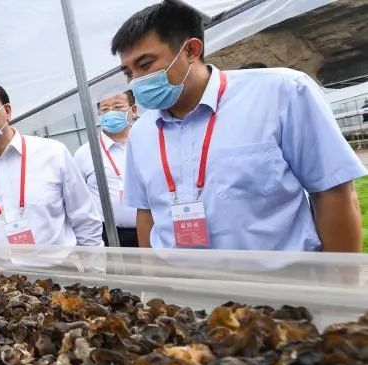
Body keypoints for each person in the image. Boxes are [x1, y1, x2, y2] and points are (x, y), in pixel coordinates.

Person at [111, 1, 366, 251]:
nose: (136, 80)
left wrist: (339, 285)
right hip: (183, 288)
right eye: (128, 72)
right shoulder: (142, 132)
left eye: (145, 65)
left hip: (276, 286)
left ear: (191, 50)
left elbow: (333, 192)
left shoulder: (282, 94)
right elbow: (146, 214)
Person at [0, 78, 103, 246]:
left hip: (58, 269)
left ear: (7, 111)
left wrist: (93, 269)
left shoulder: (53, 153)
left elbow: (85, 219)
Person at [73, 90, 139, 247]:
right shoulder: (86, 153)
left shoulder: (148, 143)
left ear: (133, 110)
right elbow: (78, 200)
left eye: (117, 107)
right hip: (108, 235)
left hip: (152, 229)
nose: (111, 113)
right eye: (105, 109)